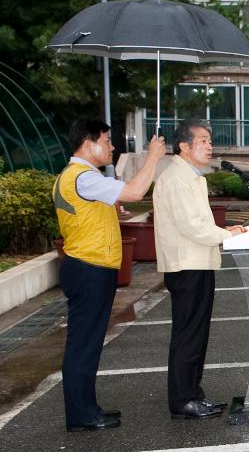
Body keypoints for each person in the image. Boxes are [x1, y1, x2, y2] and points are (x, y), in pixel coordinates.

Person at [53, 119, 166, 432]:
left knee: (86, 343)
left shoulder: (76, 176)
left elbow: (90, 210)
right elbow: (134, 190)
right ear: (89, 144)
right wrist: (154, 156)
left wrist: (109, 208)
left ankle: (87, 408)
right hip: (89, 268)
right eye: (107, 139)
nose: (112, 146)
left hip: (88, 267)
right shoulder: (83, 177)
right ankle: (81, 415)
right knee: (83, 345)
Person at [153, 119, 248, 419]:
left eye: (210, 141)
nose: (210, 146)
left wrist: (223, 229)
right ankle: (182, 401)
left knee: (198, 333)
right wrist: (225, 236)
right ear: (184, 146)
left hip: (198, 262)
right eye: (203, 141)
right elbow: (190, 225)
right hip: (186, 265)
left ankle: (193, 395)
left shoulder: (193, 177)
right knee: (188, 334)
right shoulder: (176, 178)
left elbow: (200, 223)